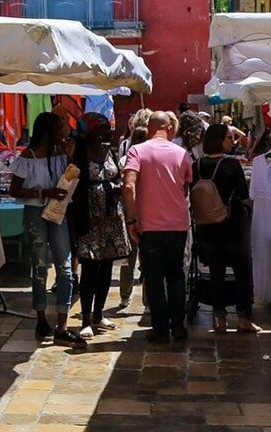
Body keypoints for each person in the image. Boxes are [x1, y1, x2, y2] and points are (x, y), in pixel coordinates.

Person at [10, 112, 86, 348]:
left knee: (65, 267)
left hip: (57, 213)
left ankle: (61, 326)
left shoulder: (62, 155)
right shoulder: (27, 156)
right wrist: (44, 193)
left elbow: (69, 179)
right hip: (36, 212)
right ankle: (41, 318)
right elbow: (15, 190)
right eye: (61, 126)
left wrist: (71, 156)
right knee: (40, 266)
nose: (66, 130)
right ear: (49, 131)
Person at [122, 111, 193, 343]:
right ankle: (178, 325)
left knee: (154, 278)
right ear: (170, 128)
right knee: (176, 275)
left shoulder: (137, 151)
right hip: (177, 224)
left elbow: (128, 186)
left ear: (149, 127)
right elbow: (185, 188)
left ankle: (160, 328)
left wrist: (131, 219)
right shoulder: (182, 154)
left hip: (149, 226)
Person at [70, 114, 130, 339]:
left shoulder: (109, 151)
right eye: (105, 128)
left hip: (112, 219)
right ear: (94, 131)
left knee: (106, 267)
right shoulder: (81, 155)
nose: (110, 131)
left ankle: (99, 313)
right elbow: (74, 186)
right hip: (90, 220)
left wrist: (116, 186)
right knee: (89, 269)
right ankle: (85, 318)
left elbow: (114, 176)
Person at [194, 123, 256, 334]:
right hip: (233, 227)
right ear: (220, 140)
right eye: (229, 137)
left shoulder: (197, 165)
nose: (233, 141)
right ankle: (243, 318)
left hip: (206, 228)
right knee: (241, 273)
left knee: (215, 274)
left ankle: (219, 318)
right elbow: (243, 195)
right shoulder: (231, 165)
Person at [118, 125, 150, 308]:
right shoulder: (151, 159)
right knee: (148, 258)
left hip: (128, 212)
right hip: (148, 213)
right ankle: (148, 297)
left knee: (128, 259)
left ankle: (124, 295)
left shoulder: (124, 160)